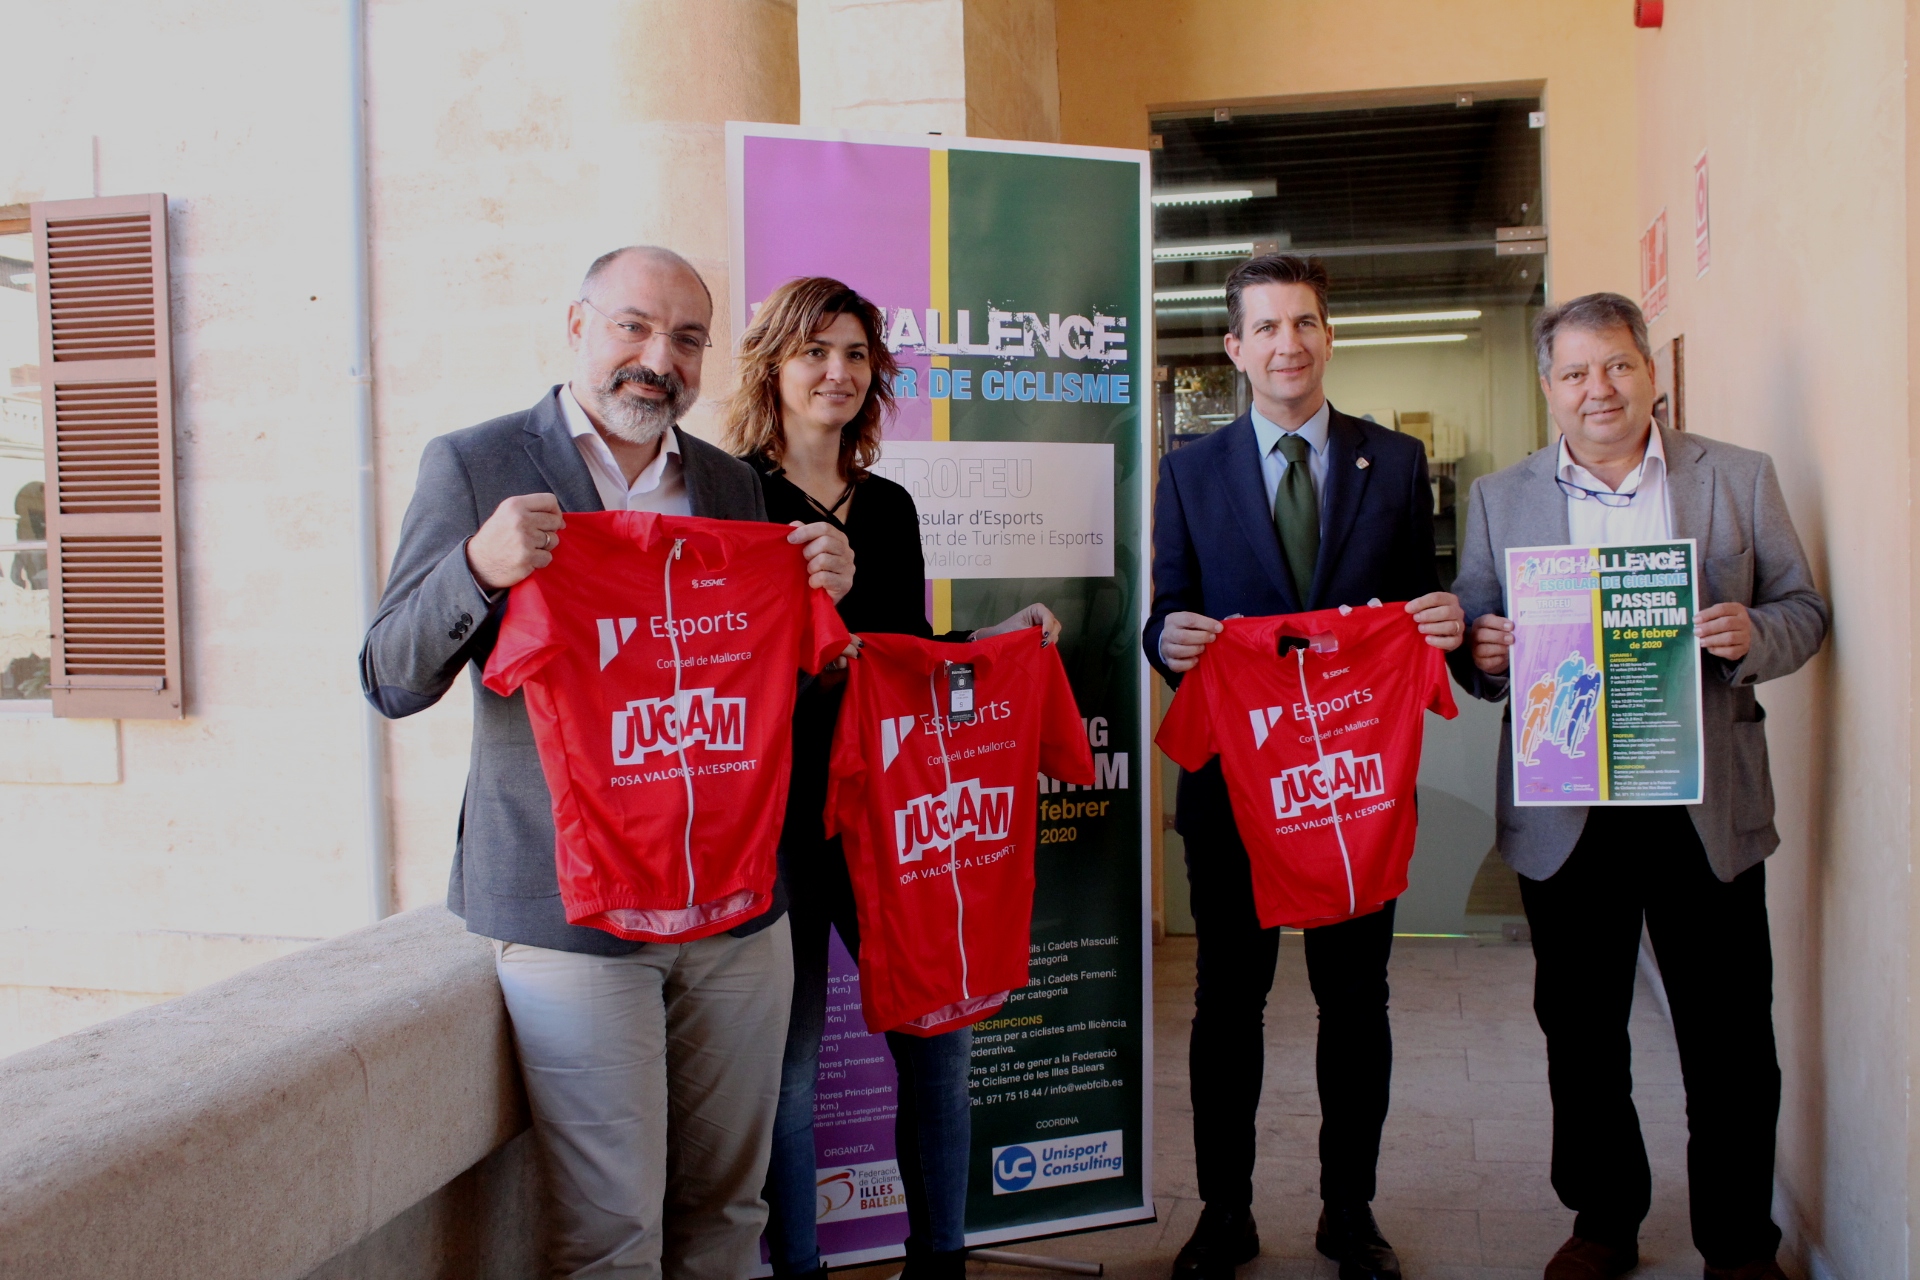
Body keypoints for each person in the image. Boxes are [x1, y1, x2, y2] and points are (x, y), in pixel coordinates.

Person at [360, 246, 856, 1280]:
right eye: (632, 326)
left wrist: (822, 599)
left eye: (683, 338)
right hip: (568, 910)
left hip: (732, 903)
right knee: (608, 1233)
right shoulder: (477, 464)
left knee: (730, 1206)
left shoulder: (728, 483)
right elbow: (389, 675)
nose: (655, 357)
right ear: (577, 327)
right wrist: (475, 568)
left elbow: (760, 694)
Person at [1453, 293, 1828, 1280]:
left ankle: (1739, 1240)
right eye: (1575, 373)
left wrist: (1754, 634)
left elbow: (1805, 608)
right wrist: (1485, 652)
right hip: (1566, 811)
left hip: (1702, 804)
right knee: (1580, 1032)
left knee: (1731, 1038)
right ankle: (1605, 1218)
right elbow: (1477, 637)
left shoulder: (1736, 478)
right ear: (1549, 388)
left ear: (1651, 370)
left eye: (1616, 366)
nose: (1599, 389)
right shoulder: (1501, 497)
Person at [726, 276, 1060, 1280]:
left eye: (856, 354)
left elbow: (902, 662)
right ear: (773, 366)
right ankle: (799, 1266)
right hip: (779, 820)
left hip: (892, 815)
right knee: (788, 1070)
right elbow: (721, 664)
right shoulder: (733, 497)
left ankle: (941, 1258)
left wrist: (985, 645)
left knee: (939, 1038)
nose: (836, 372)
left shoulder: (891, 504)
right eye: (814, 352)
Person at [1143, 253, 1466, 1280]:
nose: (1289, 343)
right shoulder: (1189, 470)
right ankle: (1224, 1211)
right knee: (1227, 1004)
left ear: (1330, 337)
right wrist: (1170, 640)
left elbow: (1418, 605)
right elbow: (1163, 609)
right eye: (1267, 326)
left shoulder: (1398, 462)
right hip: (1236, 788)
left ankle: (1347, 1210)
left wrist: (1443, 623)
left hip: (1352, 795)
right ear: (1235, 347)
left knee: (1354, 1000)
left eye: (1307, 323)